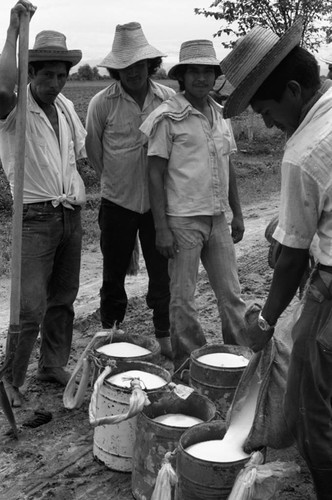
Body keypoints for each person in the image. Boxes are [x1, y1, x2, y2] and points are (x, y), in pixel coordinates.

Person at [220, 18, 332, 500]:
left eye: (265, 110)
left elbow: (289, 260)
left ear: (291, 89)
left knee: (313, 408)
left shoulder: (304, 150)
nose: (265, 123)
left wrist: (264, 321)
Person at [0, 1, 87, 407]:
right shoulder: (15, 109)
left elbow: (80, 157)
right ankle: (10, 379)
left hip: (70, 214)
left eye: (61, 76)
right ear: (30, 73)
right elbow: (2, 87)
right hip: (32, 217)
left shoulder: (67, 108)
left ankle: (52, 364)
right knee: (28, 306)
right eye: (47, 74)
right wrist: (14, 30)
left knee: (63, 300)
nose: (55, 82)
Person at [140, 39, 246, 370]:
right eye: (194, 72)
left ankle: (238, 357)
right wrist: (161, 228)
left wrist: (237, 214)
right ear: (182, 77)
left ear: (215, 77)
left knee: (231, 294)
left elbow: (228, 167)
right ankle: (190, 362)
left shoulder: (220, 116)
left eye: (207, 72)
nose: (201, 78)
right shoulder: (167, 117)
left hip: (217, 220)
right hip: (182, 222)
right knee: (183, 300)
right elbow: (154, 174)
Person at [85, 22, 175, 358]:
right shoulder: (102, 103)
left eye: (139, 65)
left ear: (149, 65)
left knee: (162, 272)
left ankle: (164, 335)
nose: (133, 72)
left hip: (158, 206)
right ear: (116, 69)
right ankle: (111, 337)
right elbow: (95, 151)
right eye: (125, 66)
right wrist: (116, 180)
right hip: (117, 203)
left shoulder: (167, 99)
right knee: (112, 276)